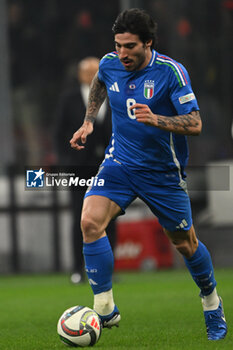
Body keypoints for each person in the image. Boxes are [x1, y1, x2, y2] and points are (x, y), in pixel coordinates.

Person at [70, 9, 227, 340]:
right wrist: (88, 120)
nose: (122, 54)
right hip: (120, 163)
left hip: (163, 173)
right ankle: (104, 309)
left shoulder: (171, 72)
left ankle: (211, 301)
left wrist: (157, 119)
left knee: (185, 244)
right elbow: (100, 80)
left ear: (148, 43)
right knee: (89, 222)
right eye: (118, 45)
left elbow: (196, 123)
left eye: (130, 47)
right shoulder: (111, 62)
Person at [55, 57, 116, 283]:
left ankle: (108, 268)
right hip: (78, 168)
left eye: (96, 71)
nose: (93, 75)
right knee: (78, 217)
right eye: (88, 72)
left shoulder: (113, 95)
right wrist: (66, 159)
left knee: (110, 217)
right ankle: (78, 269)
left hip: (107, 167)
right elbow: (59, 132)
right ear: (80, 75)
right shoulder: (68, 99)